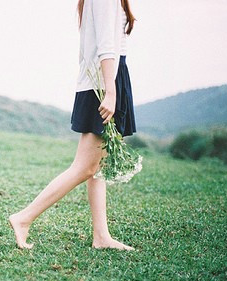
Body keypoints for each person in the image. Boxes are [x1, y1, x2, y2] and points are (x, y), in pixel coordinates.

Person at [8, 0, 137, 250]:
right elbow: (105, 46)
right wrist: (110, 91)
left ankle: (101, 236)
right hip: (102, 82)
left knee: (97, 165)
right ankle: (23, 218)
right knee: (85, 167)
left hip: (106, 78)